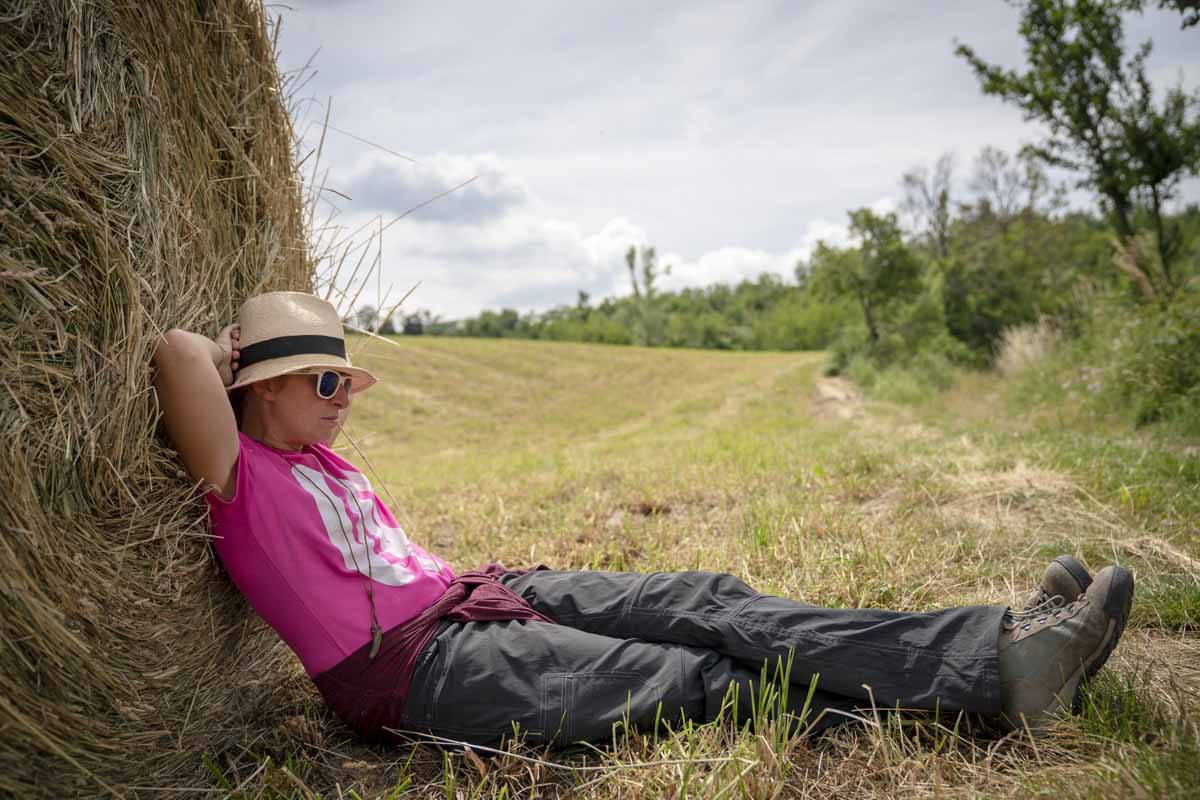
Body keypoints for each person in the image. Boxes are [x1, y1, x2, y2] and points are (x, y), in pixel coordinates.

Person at [151, 291, 1135, 748]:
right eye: (325, 378)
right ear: (261, 384)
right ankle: (986, 694)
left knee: (706, 600)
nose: (345, 395)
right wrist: (226, 350)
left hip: (477, 596)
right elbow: (173, 350)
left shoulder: (323, 456)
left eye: (346, 378)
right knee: (688, 682)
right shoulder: (243, 482)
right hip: (418, 667)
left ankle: (996, 643)